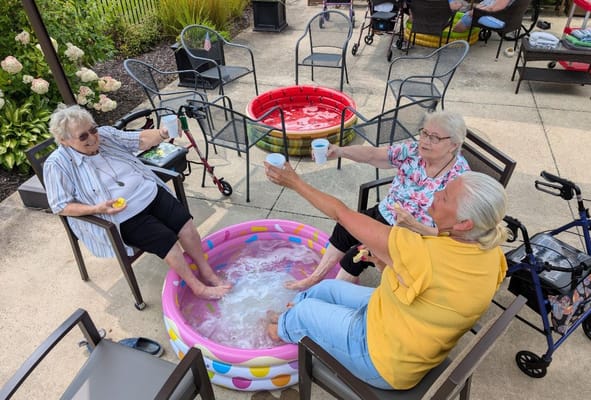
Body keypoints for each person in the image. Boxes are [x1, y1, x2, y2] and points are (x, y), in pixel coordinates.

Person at [263, 166, 509, 390]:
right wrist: (386, 264)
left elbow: (341, 213)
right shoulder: (492, 254)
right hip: (403, 326)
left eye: (444, 197)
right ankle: (288, 319)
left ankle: (276, 330)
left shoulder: (420, 252)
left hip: (383, 361)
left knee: (304, 312)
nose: (436, 193)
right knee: (327, 289)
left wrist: (295, 182)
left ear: (464, 223)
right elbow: (438, 291)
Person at [43, 105, 231, 300]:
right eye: (83, 136)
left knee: (185, 225)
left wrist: (163, 132)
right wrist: (98, 208)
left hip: (148, 192)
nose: (93, 138)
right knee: (167, 240)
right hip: (121, 214)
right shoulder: (57, 164)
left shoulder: (105, 135)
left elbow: (139, 140)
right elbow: (60, 205)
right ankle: (197, 287)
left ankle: (207, 272)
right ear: (64, 141)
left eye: (93, 129)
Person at [285, 110, 470, 290]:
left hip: (410, 235)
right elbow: (373, 155)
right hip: (386, 211)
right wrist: (339, 151)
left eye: (434, 138)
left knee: (357, 254)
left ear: (453, 145)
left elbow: (454, 234)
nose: (425, 141)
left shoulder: (460, 179)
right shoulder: (413, 151)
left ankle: (324, 298)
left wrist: (416, 226)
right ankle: (315, 278)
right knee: (344, 227)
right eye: (424, 133)